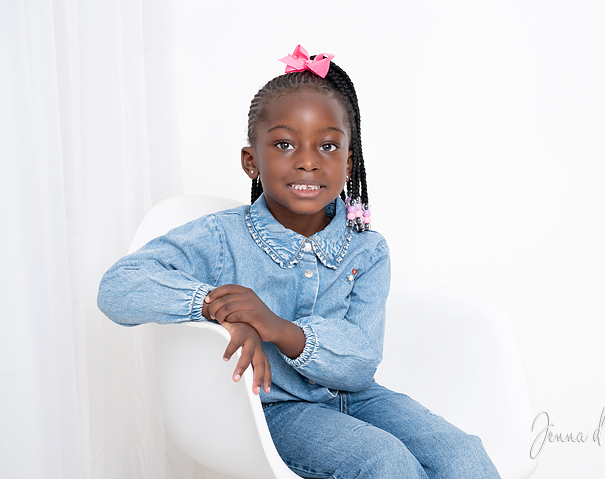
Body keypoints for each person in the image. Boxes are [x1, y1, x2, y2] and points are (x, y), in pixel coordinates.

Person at [97, 45, 501, 479]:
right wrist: (216, 305)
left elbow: (361, 361)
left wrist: (278, 329)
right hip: (276, 409)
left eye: (327, 146)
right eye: (285, 144)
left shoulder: (368, 250)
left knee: (464, 458)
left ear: (348, 163)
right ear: (251, 161)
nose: (308, 161)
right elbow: (119, 287)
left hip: (357, 397)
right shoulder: (220, 237)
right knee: (383, 462)